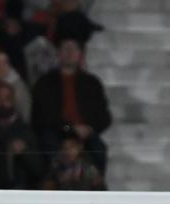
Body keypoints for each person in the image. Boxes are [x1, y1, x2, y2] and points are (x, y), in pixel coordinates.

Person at [30, 38, 111, 167]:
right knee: (50, 149)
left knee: (99, 150)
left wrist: (89, 128)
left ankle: (95, 184)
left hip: (85, 133)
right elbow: (42, 117)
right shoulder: (45, 82)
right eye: (65, 49)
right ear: (59, 54)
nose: (69, 52)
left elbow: (104, 117)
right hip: (56, 132)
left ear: (80, 54)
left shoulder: (92, 83)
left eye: (73, 49)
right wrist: (70, 128)